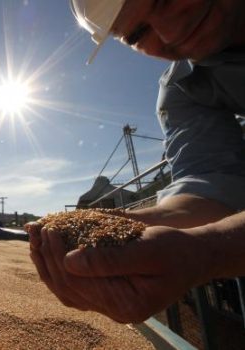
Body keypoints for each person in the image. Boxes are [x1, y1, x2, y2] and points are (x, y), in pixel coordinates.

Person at [26, 0, 245, 324]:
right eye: (138, 33)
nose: (171, 32)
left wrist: (211, 252)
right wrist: (126, 224)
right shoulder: (182, 88)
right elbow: (214, 183)